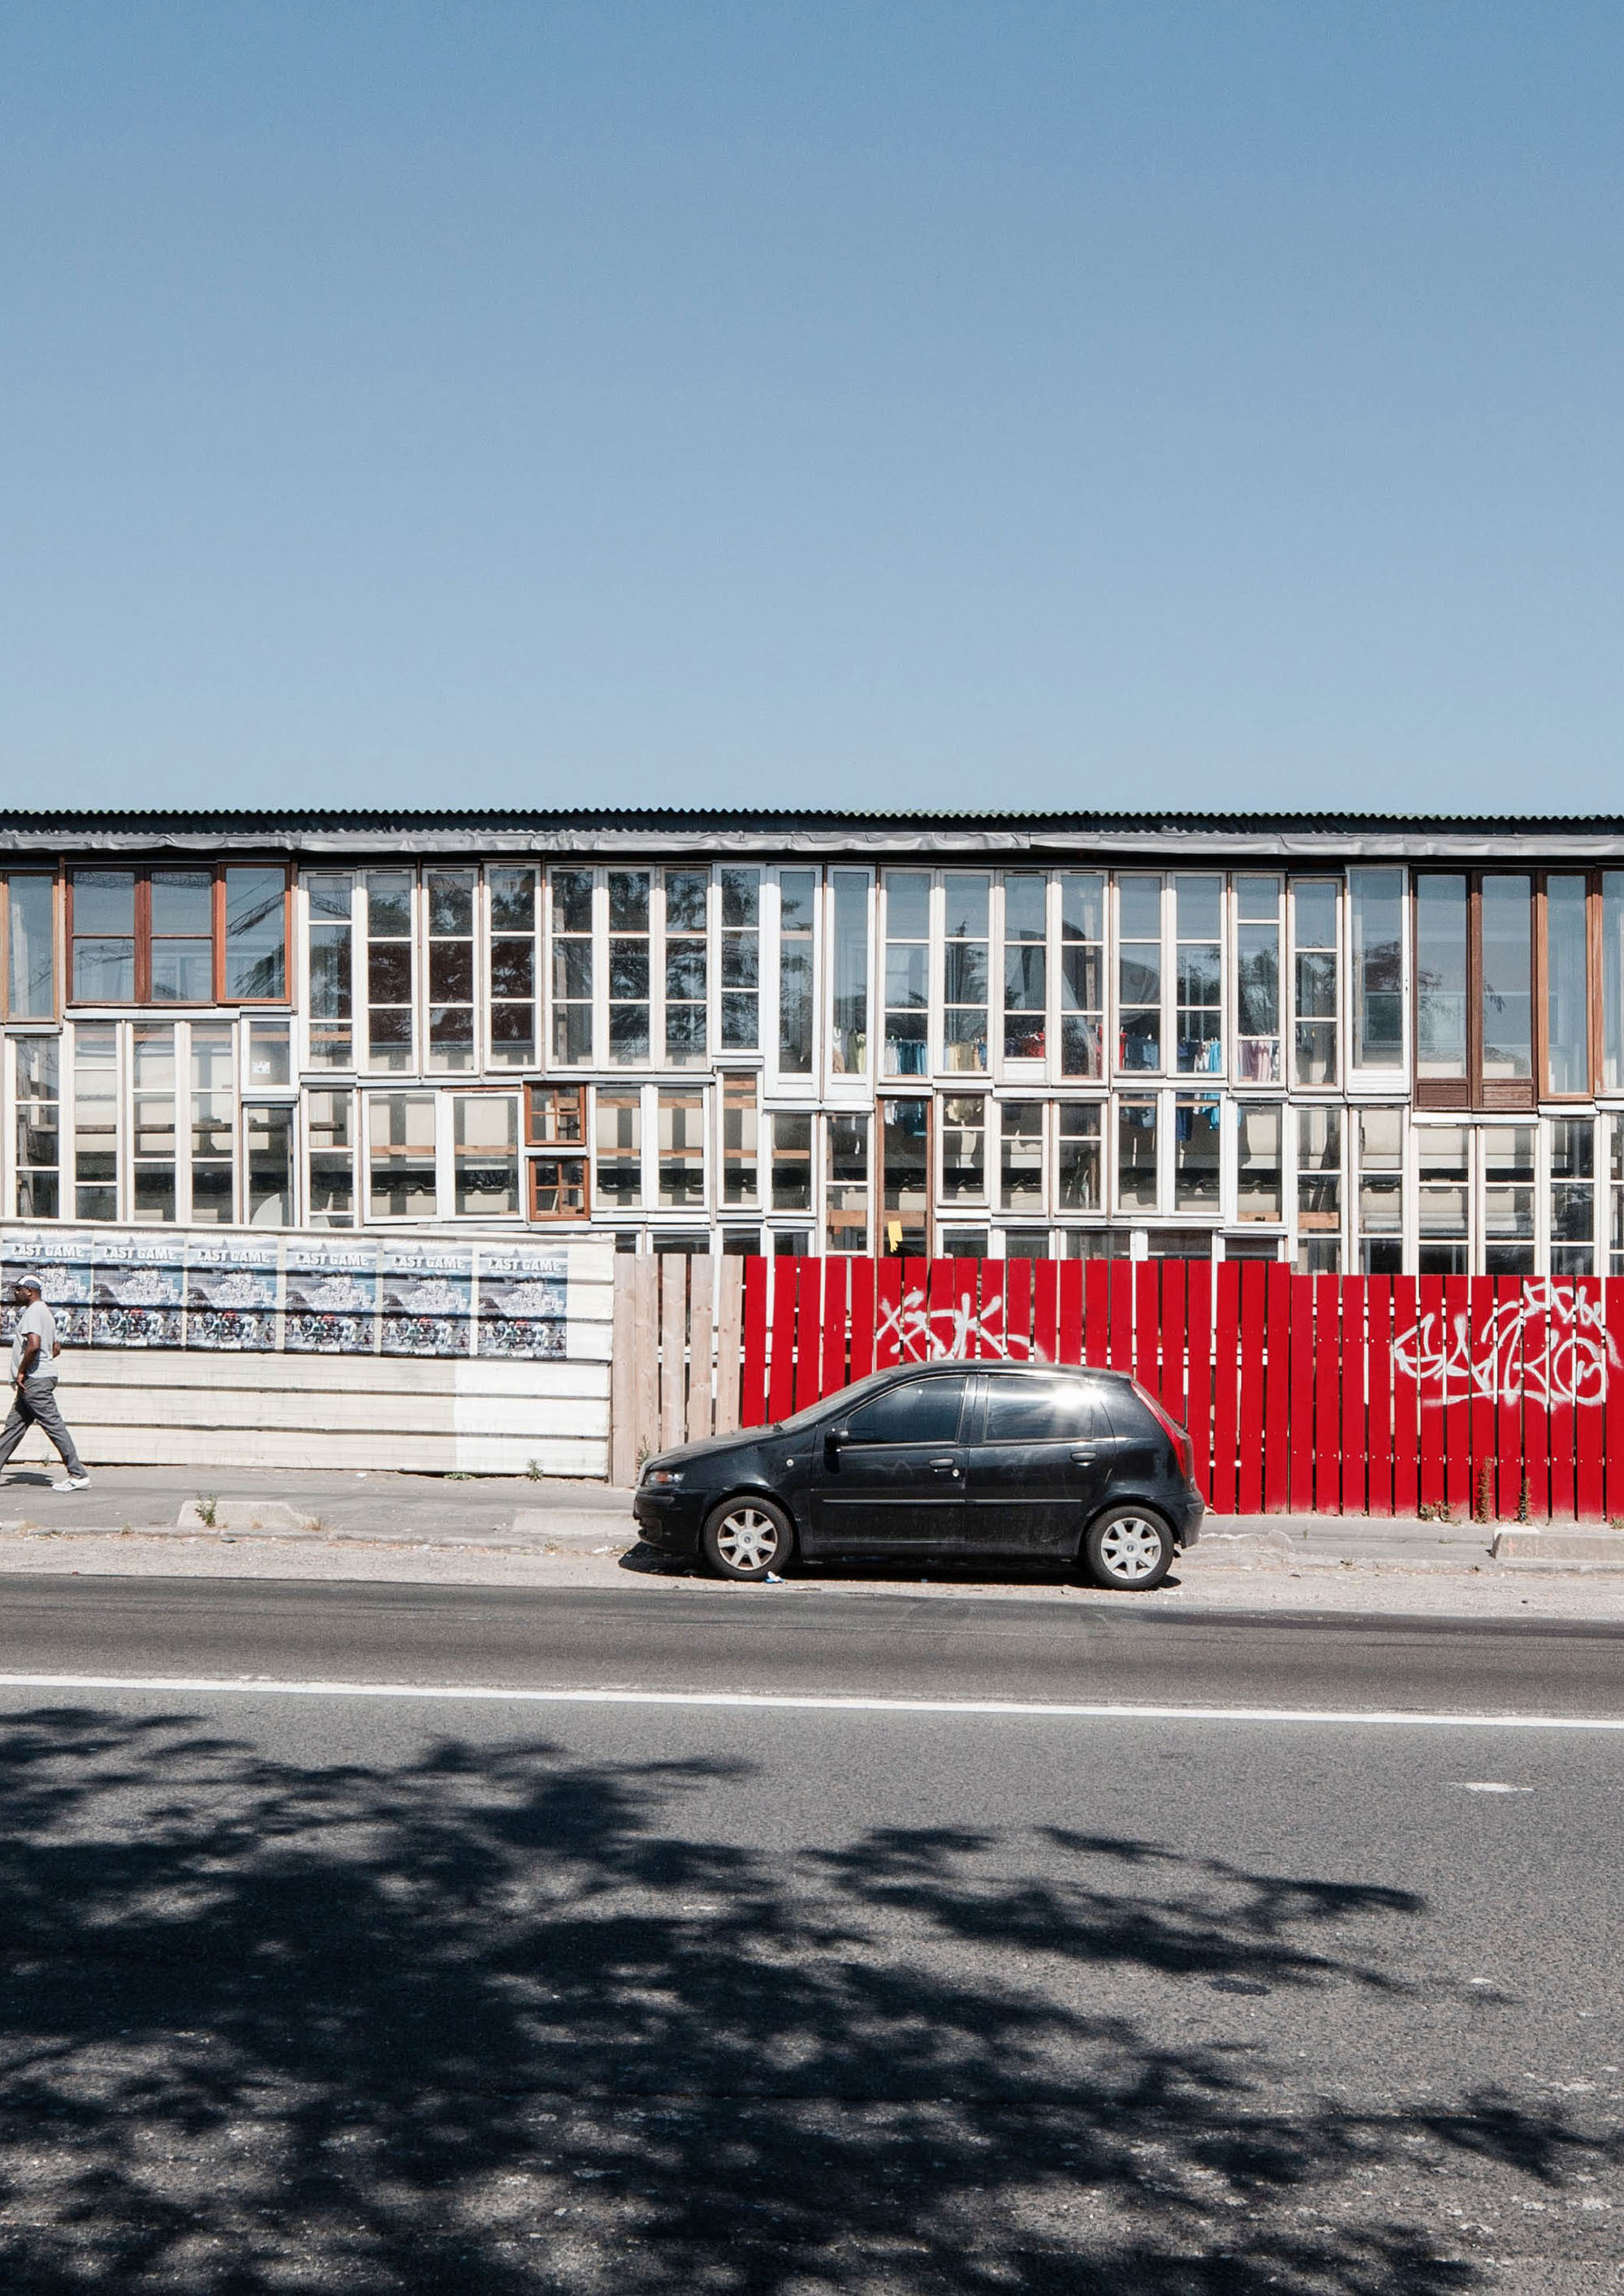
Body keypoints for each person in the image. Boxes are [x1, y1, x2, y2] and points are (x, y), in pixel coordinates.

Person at [0, 1276, 89, 1491]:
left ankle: (78, 1474)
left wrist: (22, 1371)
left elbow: (34, 1345)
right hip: (36, 1380)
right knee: (13, 1428)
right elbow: (55, 1348)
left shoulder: (34, 1312)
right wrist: (44, 1364)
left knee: (54, 1426)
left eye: (19, 1289)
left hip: (34, 1381)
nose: (16, 1293)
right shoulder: (46, 1313)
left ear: (30, 1291)